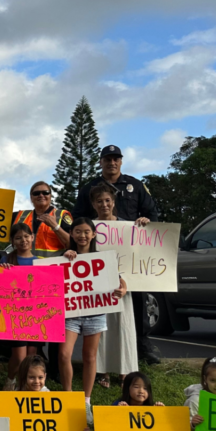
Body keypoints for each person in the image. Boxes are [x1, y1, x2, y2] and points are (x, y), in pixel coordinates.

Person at [73, 145, 161, 365]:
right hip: (98, 252)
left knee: (137, 301)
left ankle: (142, 344)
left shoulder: (136, 186)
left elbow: (152, 214)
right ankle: (101, 356)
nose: (112, 163)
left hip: (130, 255)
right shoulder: (88, 188)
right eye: (107, 159)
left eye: (116, 159)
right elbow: (77, 218)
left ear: (121, 162)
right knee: (100, 302)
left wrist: (145, 222)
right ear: (101, 162)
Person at [57, 217, 126, 422]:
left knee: (90, 357)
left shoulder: (103, 258)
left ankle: (87, 401)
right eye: (77, 231)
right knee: (63, 354)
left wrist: (122, 289)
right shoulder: (64, 256)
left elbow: (121, 280)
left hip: (95, 315)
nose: (82, 235)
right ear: (72, 234)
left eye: (86, 231)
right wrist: (66, 258)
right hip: (71, 315)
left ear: (94, 234)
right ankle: (68, 395)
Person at [91, 182, 143, 387]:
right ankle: (103, 372)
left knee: (124, 328)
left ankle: (125, 373)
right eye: (99, 202)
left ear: (113, 202)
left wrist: (143, 223)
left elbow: (137, 255)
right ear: (93, 204)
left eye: (107, 201)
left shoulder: (128, 226)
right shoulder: (90, 226)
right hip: (98, 287)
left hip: (123, 287)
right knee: (101, 329)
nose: (104, 205)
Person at [0, 223, 39, 390]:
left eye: (26, 236)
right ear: (13, 241)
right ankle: (10, 380)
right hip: (15, 315)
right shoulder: (6, 260)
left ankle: (25, 385)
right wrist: (1, 271)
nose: (23, 240)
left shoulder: (41, 263)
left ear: (32, 237)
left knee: (31, 354)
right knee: (19, 356)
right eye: (18, 238)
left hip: (37, 315)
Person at [11, 181, 72, 258]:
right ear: (31, 197)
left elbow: (73, 244)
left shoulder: (62, 215)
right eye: (36, 193)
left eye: (45, 192)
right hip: (24, 267)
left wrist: (56, 227)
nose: (41, 195)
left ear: (50, 196)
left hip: (51, 267)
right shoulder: (19, 216)